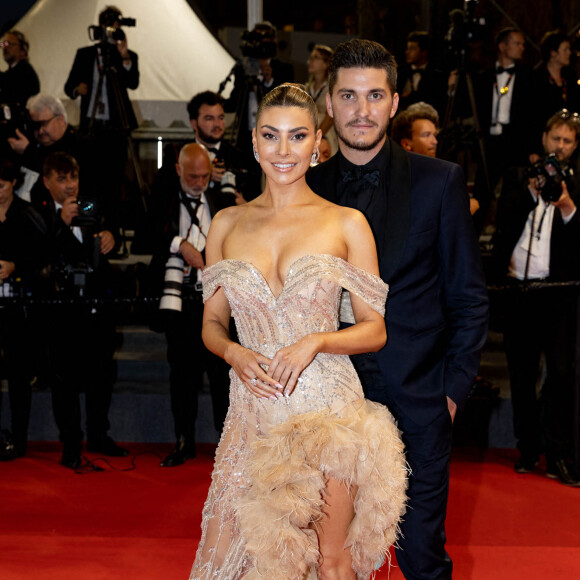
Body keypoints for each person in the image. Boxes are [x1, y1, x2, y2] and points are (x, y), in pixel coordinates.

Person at [190, 84, 407, 579]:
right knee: (245, 560)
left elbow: (374, 331)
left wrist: (318, 341)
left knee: (331, 563)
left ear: (317, 144)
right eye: (271, 136)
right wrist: (233, 354)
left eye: (297, 136)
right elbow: (212, 323)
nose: (283, 151)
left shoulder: (347, 223)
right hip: (253, 414)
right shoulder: (225, 223)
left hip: (328, 416)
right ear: (253, 141)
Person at [306, 39, 489, 580]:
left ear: (393, 102)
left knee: (421, 555)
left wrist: (452, 391)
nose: (361, 110)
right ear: (330, 104)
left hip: (419, 394)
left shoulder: (441, 182)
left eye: (374, 95)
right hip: (328, 397)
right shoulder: (305, 189)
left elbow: (469, 295)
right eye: (348, 96)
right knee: (327, 555)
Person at [492, 109, 580, 486]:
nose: (560, 146)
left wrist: (567, 206)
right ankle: (528, 447)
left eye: (568, 141)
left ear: (575, 147)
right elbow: (502, 225)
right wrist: (531, 189)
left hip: (560, 294)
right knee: (522, 374)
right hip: (519, 290)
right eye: (555, 138)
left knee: (561, 374)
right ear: (544, 138)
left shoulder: (576, 184)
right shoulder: (517, 177)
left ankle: (558, 452)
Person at [34, 152, 126, 469]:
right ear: (46, 183)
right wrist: (61, 225)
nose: (70, 185)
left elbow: (111, 243)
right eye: (62, 179)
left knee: (101, 377)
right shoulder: (39, 215)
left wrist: (110, 237)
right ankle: (70, 443)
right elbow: (38, 257)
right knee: (66, 383)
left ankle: (99, 435)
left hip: (97, 310)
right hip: (61, 314)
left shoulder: (90, 211)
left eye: (72, 178)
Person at [149, 143, 233, 467]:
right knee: (181, 375)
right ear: (178, 170)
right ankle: (184, 440)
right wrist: (179, 244)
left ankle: (226, 443)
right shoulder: (163, 199)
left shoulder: (222, 201)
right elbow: (147, 233)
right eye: (192, 176)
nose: (199, 182)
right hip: (180, 300)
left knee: (222, 375)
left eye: (204, 176)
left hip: (218, 297)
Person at [0, 157, 44, 461]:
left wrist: (15, 266)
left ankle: (19, 438)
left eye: (2, 184)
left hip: (18, 306)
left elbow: (41, 258)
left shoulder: (26, 214)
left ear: (14, 182)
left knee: (18, 377)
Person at [472, 27, 534, 232]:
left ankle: (503, 240)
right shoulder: (483, 77)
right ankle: (472, 238)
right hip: (489, 142)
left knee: (512, 194)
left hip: (515, 142)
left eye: (522, 44)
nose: (522, 47)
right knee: (482, 191)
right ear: (502, 46)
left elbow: (532, 116)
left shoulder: (528, 77)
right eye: (517, 43)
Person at [64, 5, 139, 134]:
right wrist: (77, 89)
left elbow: (132, 84)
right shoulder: (84, 55)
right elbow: (68, 87)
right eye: (111, 27)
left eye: (117, 28)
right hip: (91, 122)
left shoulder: (127, 55)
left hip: (117, 123)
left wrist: (125, 59)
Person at [532, 30, 580, 149]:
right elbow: (531, 117)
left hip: (569, 141)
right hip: (543, 142)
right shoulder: (537, 79)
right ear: (553, 53)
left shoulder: (570, 78)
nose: (569, 53)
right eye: (565, 49)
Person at [397, 31, 446, 116]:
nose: (407, 52)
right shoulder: (399, 72)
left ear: (424, 52)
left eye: (412, 48)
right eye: (407, 48)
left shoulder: (436, 76)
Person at [305, 44, 338, 155]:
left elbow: (330, 118)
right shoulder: (306, 88)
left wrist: (316, 138)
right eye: (310, 58)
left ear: (326, 64)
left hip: (325, 136)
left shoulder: (332, 88)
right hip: (307, 137)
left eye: (315, 58)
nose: (310, 61)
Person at [0, 30, 40, 107]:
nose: (5, 47)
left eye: (9, 44)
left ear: (23, 51)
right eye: (3, 44)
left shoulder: (25, 73)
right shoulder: (13, 72)